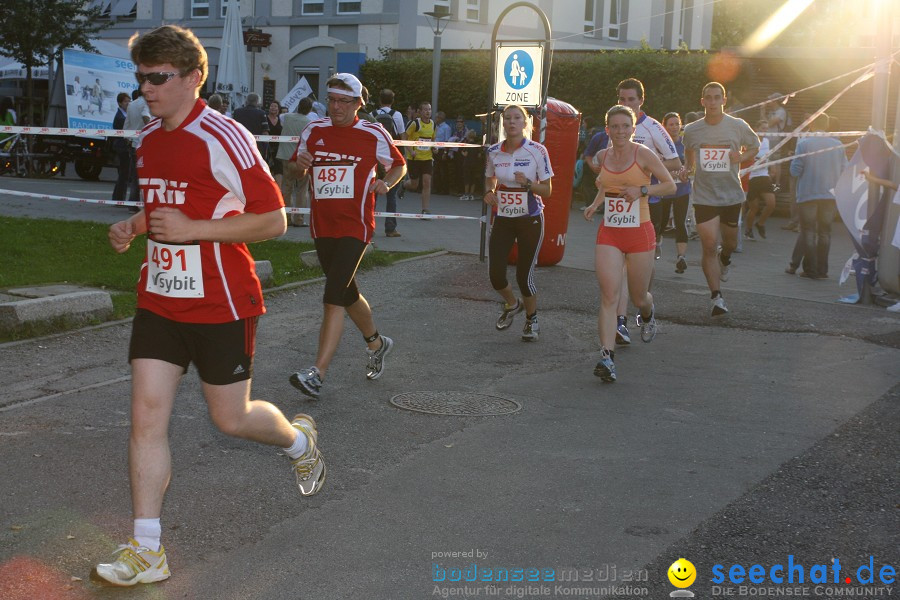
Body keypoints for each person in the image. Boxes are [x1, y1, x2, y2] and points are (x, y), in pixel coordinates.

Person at [93, 24, 325, 588]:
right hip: (160, 300)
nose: (147, 88)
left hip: (222, 300)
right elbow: (165, 205)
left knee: (231, 418)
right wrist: (133, 224)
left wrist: (195, 229)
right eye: (141, 77)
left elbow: (274, 219)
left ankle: (299, 440)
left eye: (158, 78)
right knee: (146, 418)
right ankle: (147, 547)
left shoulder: (225, 136)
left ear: (194, 78)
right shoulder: (147, 139)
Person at [288, 73, 406, 399]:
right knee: (346, 291)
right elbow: (292, 170)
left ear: (358, 104)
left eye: (344, 101)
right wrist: (299, 164)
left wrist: (387, 182)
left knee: (332, 296)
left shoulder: (372, 132)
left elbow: (398, 165)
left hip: (356, 226)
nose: (336, 107)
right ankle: (377, 344)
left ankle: (317, 373)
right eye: (332, 100)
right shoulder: (314, 130)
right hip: (322, 226)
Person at [584, 78, 681, 345]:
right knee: (610, 290)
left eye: (625, 126)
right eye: (615, 126)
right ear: (608, 128)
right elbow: (606, 183)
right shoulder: (604, 154)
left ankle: (646, 314)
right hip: (612, 229)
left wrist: (643, 188)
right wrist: (595, 203)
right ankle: (609, 350)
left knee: (640, 295)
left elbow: (672, 176)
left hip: (643, 221)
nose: (620, 130)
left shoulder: (650, 139)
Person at [682, 82, 760, 316]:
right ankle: (717, 297)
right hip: (704, 195)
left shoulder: (737, 126)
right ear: (702, 101)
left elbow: (754, 147)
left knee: (730, 244)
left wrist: (741, 156)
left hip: (731, 195)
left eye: (717, 97)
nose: (713, 102)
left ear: (724, 100)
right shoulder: (693, 130)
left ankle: (724, 258)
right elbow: (688, 152)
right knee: (707, 245)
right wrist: (688, 168)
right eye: (709, 98)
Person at [484, 104, 554, 342]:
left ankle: (531, 318)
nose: (511, 122)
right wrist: (489, 191)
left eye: (516, 118)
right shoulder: (494, 151)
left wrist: (528, 185)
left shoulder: (537, 151)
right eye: (507, 118)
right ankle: (513, 304)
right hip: (503, 217)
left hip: (530, 219)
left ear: (525, 123)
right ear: (502, 123)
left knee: (524, 276)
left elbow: (547, 190)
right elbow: (489, 179)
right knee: (495, 275)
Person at [786, 113, 847, 279]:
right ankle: (822, 270)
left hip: (808, 194)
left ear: (811, 125)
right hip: (830, 195)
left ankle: (810, 270)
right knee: (825, 232)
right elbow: (844, 170)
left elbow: (794, 170)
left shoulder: (804, 144)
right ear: (827, 125)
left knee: (808, 232)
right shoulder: (838, 145)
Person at [657, 112, 692, 274]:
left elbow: (692, 164)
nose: (674, 127)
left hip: (682, 189)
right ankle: (656, 244)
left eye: (677, 124)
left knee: (680, 222)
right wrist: (672, 174)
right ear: (664, 126)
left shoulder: (686, 144)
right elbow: (657, 167)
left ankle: (681, 258)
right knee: (662, 223)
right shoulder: (660, 145)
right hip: (664, 189)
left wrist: (688, 172)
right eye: (671, 124)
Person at [373, 88, 406, 237]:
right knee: (391, 195)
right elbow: (402, 137)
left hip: (375, 159)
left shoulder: (372, 115)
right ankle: (390, 228)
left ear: (380, 101)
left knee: (373, 195)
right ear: (392, 101)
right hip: (391, 161)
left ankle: (369, 226)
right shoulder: (397, 115)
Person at [278, 97, 315, 227]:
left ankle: (286, 218)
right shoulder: (310, 122)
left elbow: (280, 117)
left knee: (287, 187)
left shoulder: (286, 117)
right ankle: (299, 219)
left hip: (285, 156)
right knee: (302, 188)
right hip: (301, 158)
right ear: (310, 110)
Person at [743, 119, 777, 241]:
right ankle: (748, 230)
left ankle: (760, 223)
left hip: (763, 175)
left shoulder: (767, 141)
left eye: (766, 129)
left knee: (771, 203)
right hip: (751, 176)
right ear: (756, 129)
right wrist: (756, 159)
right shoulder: (750, 142)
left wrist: (773, 167)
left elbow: (769, 156)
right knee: (754, 207)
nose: (765, 131)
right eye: (762, 128)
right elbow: (745, 157)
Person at [402, 101, 435, 216]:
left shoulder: (433, 124)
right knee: (414, 184)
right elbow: (404, 138)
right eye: (425, 110)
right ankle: (404, 185)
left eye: (429, 109)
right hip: (414, 159)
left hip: (427, 158)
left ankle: (425, 209)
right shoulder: (414, 124)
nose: (428, 112)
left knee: (427, 182)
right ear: (420, 112)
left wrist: (434, 148)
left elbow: (432, 140)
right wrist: (411, 151)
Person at [124, 88, 151, 208]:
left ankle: (132, 203)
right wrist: (151, 128)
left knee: (134, 176)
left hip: (133, 143)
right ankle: (144, 203)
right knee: (146, 176)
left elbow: (127, 124)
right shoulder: (146, 103)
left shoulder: (131, 105)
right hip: (144, 144)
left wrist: (127, 138)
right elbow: (145, 115)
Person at [111, 92, 131, 201]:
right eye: (125, 101)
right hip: (121, 147)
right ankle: (118, 198)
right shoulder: (120, 116)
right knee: (124, 173)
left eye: (129, 101)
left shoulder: (126, 114)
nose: (128, 103)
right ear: (120, 103)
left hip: (123, 146)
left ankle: (118, 197)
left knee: (124, 173)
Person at [433, 111, 453, 195]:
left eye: (437, 117)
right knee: (436, 170)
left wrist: (445, 152)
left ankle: (445, 189)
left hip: (442, 150)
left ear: (441, 118)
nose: (435, 119)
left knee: (443, 170)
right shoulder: (435, 127)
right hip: (435, 149)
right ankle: (437, 188)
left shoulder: (446, 128)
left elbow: (447, 140)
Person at [266, 100, 283, 186]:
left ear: (278, 109)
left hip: (278, 148)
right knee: (268, 168)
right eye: (271, 106)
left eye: (275, 106)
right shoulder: (265, 118)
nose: (273, 108)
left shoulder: (281, 120)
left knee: (279, 168)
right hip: (267, 148)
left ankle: (279, 189)